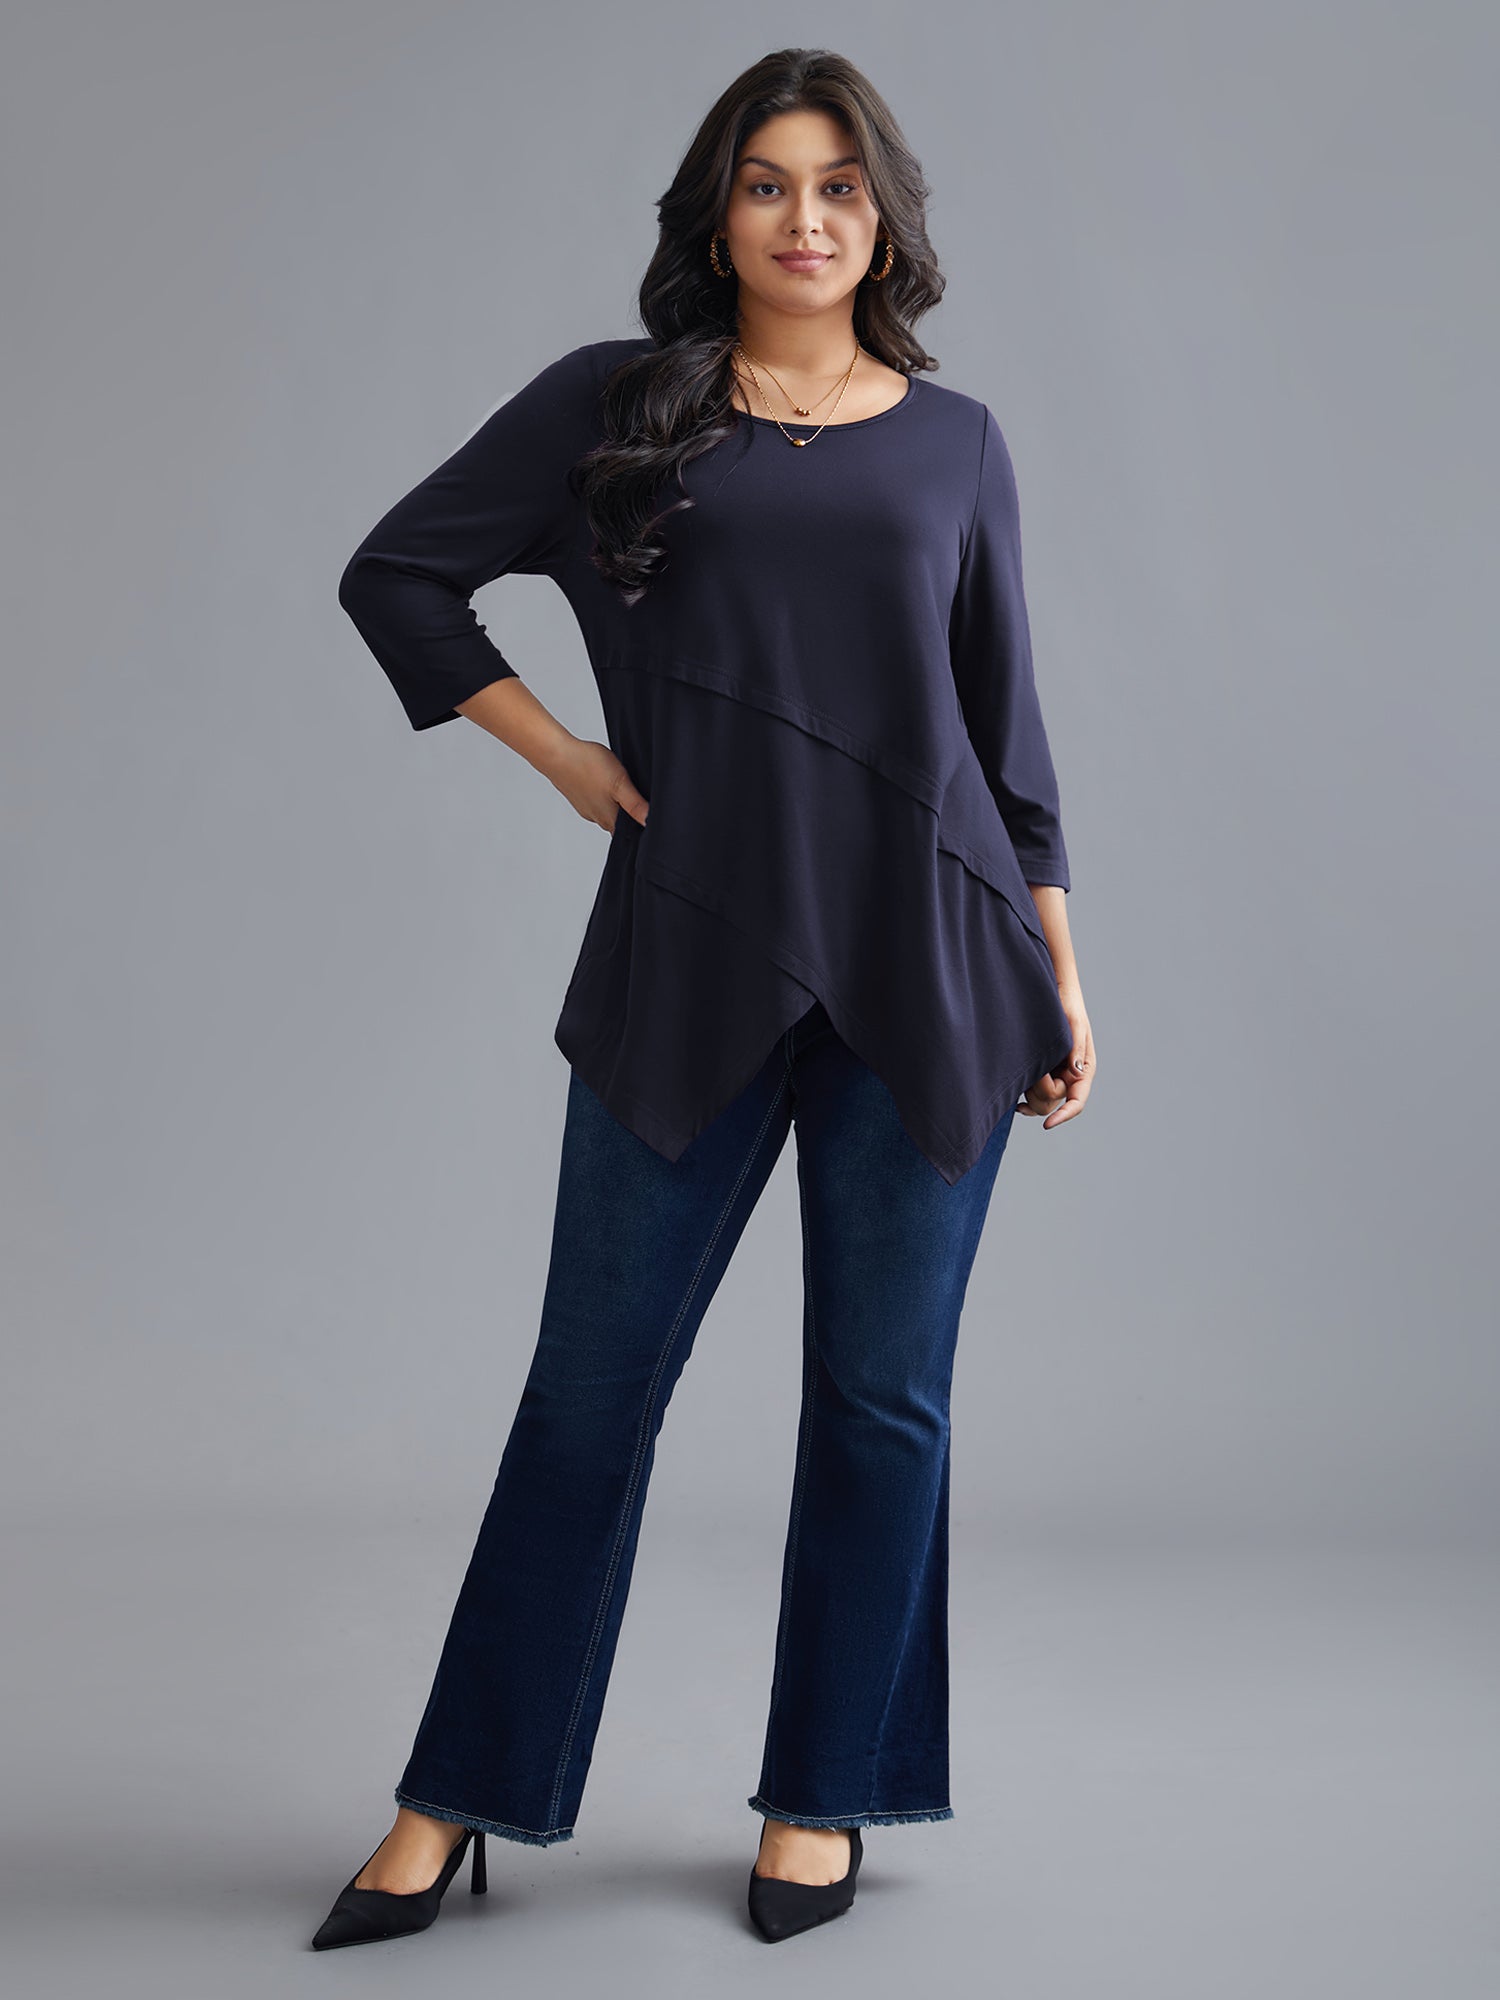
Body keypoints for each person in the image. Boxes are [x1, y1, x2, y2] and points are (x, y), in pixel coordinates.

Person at [314, 45, 1095, 1952]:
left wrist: (1064, 978)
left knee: (882, 1404)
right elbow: (398, 576)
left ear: (883, 218)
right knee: (588, 1395)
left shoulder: (956, 441)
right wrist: (568, 762)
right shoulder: (621, 406)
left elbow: (1007, 743)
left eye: (839, 186)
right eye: (767, 183)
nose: (805, 219)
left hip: (934, 965)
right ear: (717, 213)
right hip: (690, 956)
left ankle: (826, 1794)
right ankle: (456, 1793)